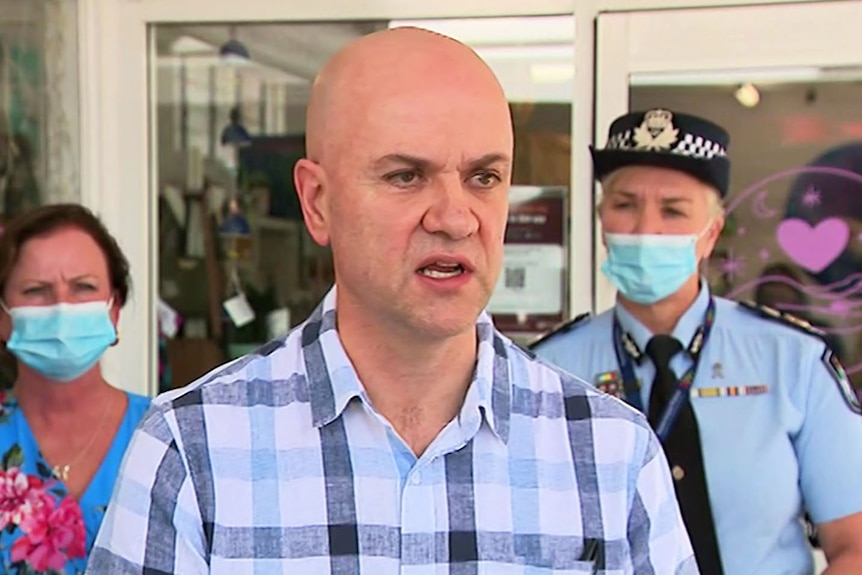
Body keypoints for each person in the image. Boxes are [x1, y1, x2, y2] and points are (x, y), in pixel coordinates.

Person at [85, 29, 696, 575]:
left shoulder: (609, 455)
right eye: (406, 176)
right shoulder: (193, 451)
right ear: (318, 202)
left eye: (484, 177)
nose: (456, 218)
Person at [531, 109, 862, 575]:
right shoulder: (548, 371)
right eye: (625, 204)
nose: (647, 229)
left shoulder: (792, 361)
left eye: (673, 210)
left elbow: (854, 547)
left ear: (712, 232)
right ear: (602, 221)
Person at [0, 203, 151, 574]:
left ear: (114, 311)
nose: (62, 307)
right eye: (37, 290)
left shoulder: (168, 437)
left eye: (84, 287)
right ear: (2, 316)